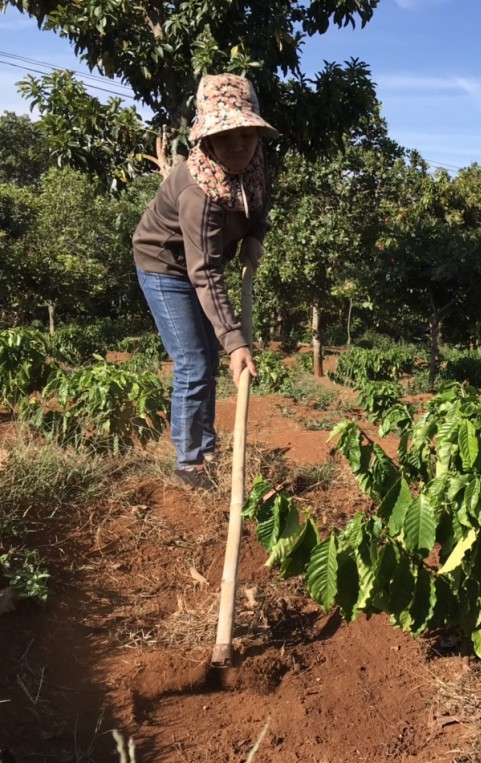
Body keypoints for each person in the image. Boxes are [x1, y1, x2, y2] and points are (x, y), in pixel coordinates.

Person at [134, 74, 277, 491]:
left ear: (256, 134)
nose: (238, 146)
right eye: (225, 136)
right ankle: (188, 463)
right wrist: (236, 340)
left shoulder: (255, 168)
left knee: (209, 357)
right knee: (195, 361)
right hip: (166, 267)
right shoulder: (198, 190)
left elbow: (260, 209)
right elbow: (205, 271)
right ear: (207, 140)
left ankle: (208, 446)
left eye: (246, 135)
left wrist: (254, 236)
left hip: (200, 267)